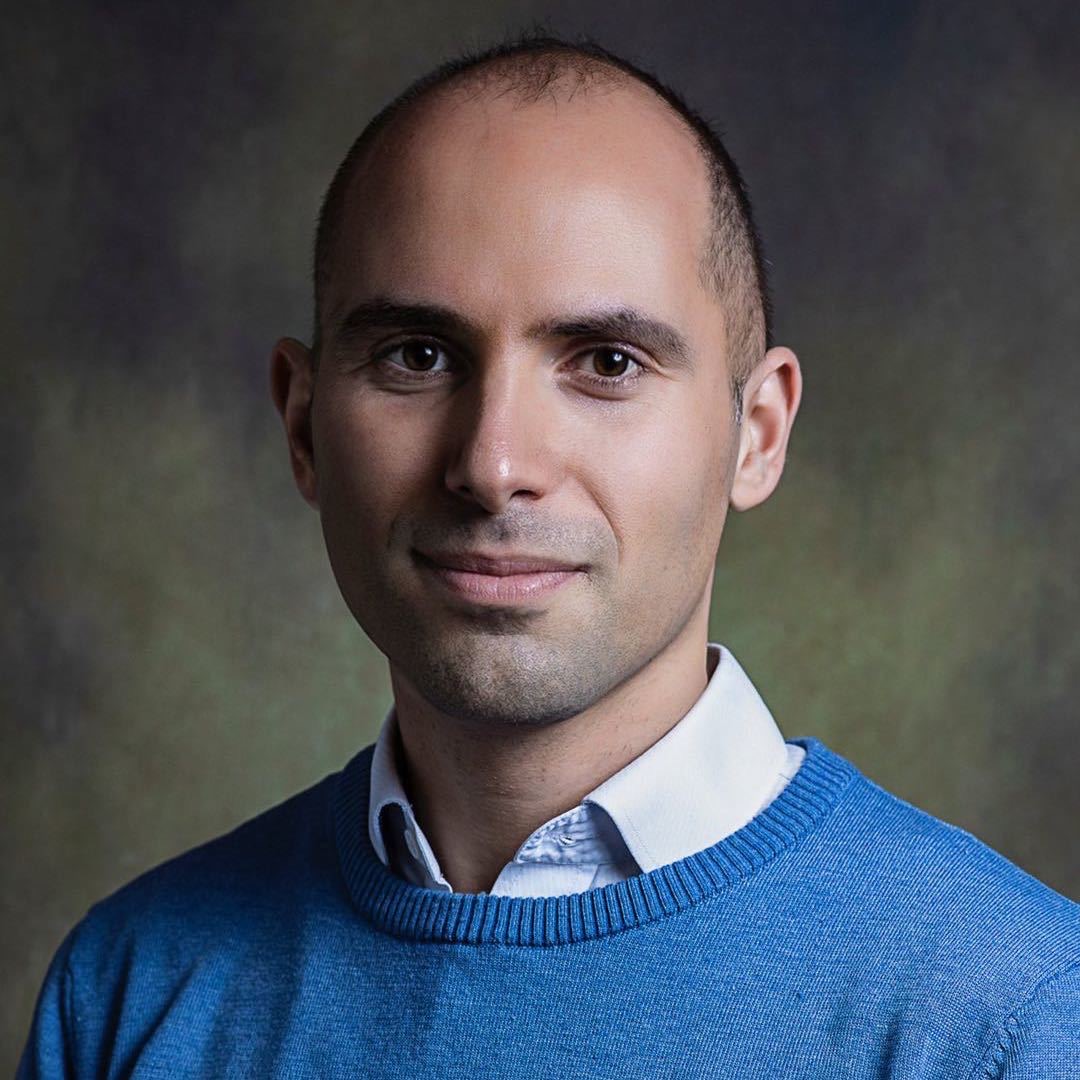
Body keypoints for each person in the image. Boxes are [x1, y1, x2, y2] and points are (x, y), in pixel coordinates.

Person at [19, 32, 1079, 1079]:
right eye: (418, 356)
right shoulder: (131, 994)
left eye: (607, 363)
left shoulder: (1009, 1018)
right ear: (303, 427)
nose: (494, 465)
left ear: (756, 435)